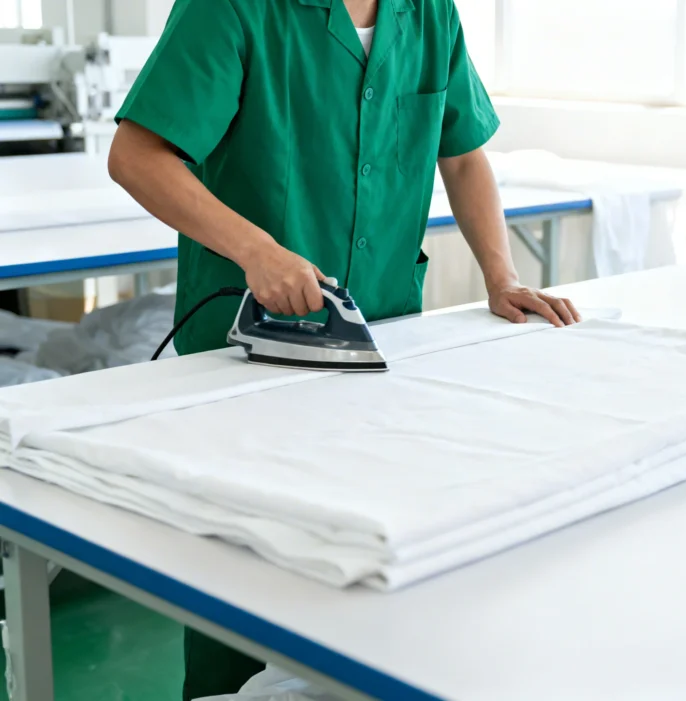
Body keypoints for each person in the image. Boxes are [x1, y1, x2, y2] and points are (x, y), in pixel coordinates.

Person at [107, 0, 580, 698]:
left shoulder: (427, 15)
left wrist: (501, 275)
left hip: (383, 343)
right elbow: (137, 155)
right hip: (243, 356)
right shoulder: (232, 9)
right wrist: (258, 251)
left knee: (362, 567)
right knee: (241, 580)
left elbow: (464, 151)